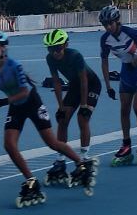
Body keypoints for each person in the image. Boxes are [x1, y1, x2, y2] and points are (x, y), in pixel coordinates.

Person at [0, 30, 94, 206]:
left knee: (52, 142)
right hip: (15, 107)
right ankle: (30, 180)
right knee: (9, 145)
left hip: (32, 103)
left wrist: (2, 102)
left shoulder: (14, 66)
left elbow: (24, 91)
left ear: (3, 47)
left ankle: (81, 164)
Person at [41, 28, 101, 186]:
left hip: (91, 85)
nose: (55, 52)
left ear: (66, 45)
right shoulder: (50, 59)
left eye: (58, 48)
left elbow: (84, 81)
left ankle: (85, 157)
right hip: (75, 85)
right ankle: (60, 160)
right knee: (63, 120)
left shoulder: (75, 56)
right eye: (51, 49)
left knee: (83, 118)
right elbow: (56, 82)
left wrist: (83, 105)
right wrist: (60, 106)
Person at [98, 5, 137, 165]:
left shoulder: (131, 33)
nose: (108, 27)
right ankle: (126, 144)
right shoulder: (105, 39)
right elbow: (104, 61)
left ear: (117, 21)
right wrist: (108, 85)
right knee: (124, 110)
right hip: (127, 73)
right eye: (104, 24)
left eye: (110, 23)